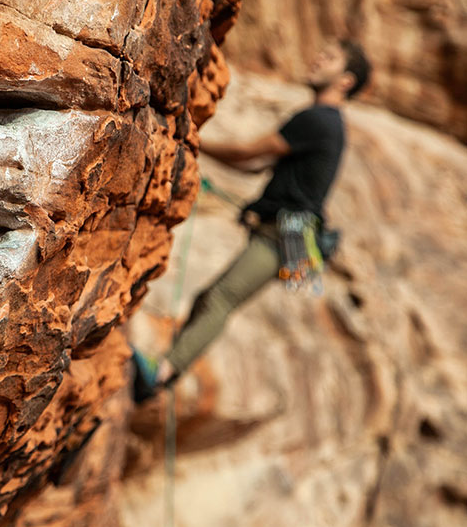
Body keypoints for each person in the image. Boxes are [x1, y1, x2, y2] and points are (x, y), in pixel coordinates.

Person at [135, 39, 372, 399]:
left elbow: (248, 152)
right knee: (210, 298)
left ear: (346, 81)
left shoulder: (318, 120)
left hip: (285, 234)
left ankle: (162, 372)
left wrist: (191, 138)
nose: (317, 58)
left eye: (330, 58)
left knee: (221, 299)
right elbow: (256, 165)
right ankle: (165, 371)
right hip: (290, 235)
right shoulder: (326, 123)